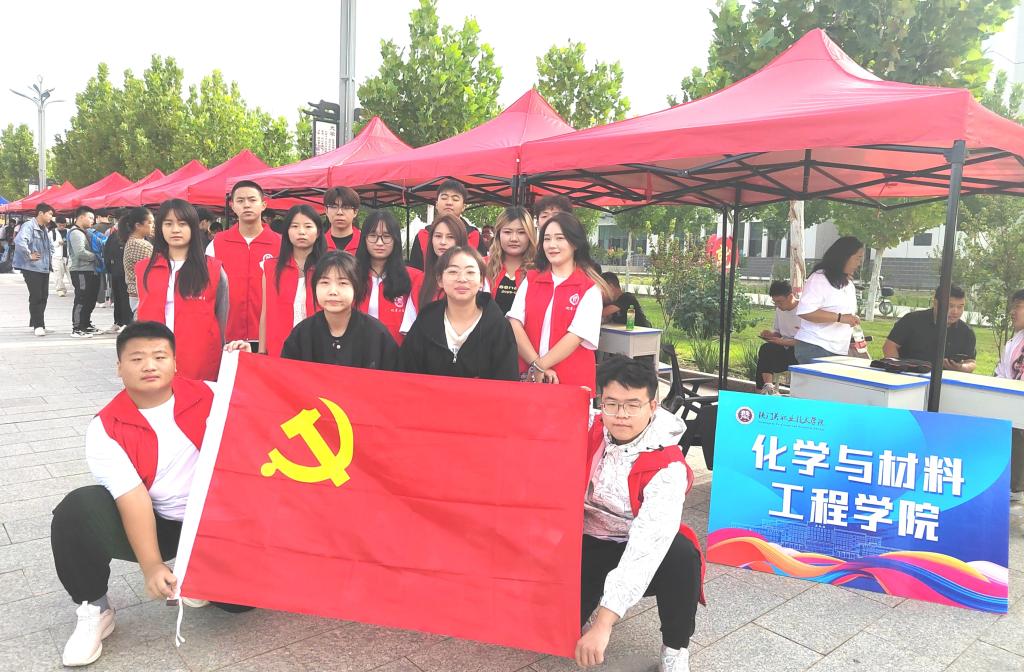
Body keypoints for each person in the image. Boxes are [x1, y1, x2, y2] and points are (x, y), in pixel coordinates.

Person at [50, 322, 251, 667]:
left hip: (219, 522)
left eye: (159, 356)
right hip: (163, 522)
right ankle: (95, 608)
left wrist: (245, 365)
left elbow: (265, 405)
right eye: (137, 358)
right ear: (119, 367)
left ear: (175, 363)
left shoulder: (210, 393)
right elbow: (133, 498)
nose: (149, 365)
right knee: (77, 511)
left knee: (239, 604)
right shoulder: (106, 427)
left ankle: (200, 577)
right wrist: (152, 565)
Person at [576, 356, 702, 672]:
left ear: (652, 406)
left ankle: (675, 648)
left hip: (635, 542)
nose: (621, 415)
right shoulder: (588, 427)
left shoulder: (668, 466)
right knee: (557, 628)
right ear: (600, 402)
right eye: (612, 404)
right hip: (585, 539)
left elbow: (647, 546)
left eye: (633, 405)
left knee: (682, 556)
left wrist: (604, 623)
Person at [507, 211, 606, 392]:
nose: (552, 245)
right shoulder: (531, 279)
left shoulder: (589, 288)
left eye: (560, 238)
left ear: (575, 243)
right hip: (529, 378)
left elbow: (576, 336)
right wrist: (536, 365)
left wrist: (540, 365)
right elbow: (515, 323)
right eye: (547, 239)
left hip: (571, 382)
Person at [137, 200, 229, 381]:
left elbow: (222, 314)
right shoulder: (144, 269)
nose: (175, 230)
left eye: (182, 224)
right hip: (153, 356)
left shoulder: (212, 269)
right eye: (168, 224)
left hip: (199, 358)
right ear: (160, 228)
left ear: (193, 227)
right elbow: (142, 311)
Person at [260, 251, 398, 370]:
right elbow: (285, 378)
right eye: (325, 283)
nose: (333, 291)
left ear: (357, 288)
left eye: (342, 283)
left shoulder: (377, 334)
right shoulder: (302, 334)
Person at [399, 247, 519, 380]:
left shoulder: (498, 326)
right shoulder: (426, 321)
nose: (462, 279)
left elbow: (507, 382)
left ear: (481, 280)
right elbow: (407, 375)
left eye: (470, 272)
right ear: (440, 279)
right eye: (453, 271)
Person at [206, 181, 281, 345]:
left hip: (268, 337)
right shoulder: (217, 243)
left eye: (252, 200)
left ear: (263, 205)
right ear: (232, 206)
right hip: (227, 337)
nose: (246, 205)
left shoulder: (280, 244)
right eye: (240, 201)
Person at [259, 205, 326, 357]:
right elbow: (265, 312)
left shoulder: (328, 268)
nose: (301, 232)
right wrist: (262, 351)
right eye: (295, 226)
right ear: (287, 231)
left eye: (308, 226)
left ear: (318, 232)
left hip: (319, 349)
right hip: (280, 347)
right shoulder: (270, 267)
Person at [355, 209, 422, 345]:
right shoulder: (350, 275)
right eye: (373, 235)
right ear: (364, 239)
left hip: (398, 351)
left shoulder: (414, 278)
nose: (379, 243)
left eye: (386, 236)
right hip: (358, 351)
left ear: (395, 239)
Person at [793, 236, 864, 364]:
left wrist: (851, 319)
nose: (859, 263)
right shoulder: (819, 278)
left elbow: (843, 313)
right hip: (816, 347)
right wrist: (841, 318)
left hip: (838, 349)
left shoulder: (848, 283)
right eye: (858, 258)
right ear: (844, 256)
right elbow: (806, 311)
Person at [882, 285, 977, 372]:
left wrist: (961, 367)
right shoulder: (912, 320)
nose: (955, 311)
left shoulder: (966, 332)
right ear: (935, 303)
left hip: (946, 380)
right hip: (909, 374)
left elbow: (971, 362)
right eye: (950, 306)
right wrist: (898, 368)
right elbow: (889, 346)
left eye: (960, 307)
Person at [408, 180, 481, 269]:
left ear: (463, 207)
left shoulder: (474, 235)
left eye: (455, 199)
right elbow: (415, 271)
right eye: (444, 198)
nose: (449, 203)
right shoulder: (423, 235)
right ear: (436, 204)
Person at [411, 214, 470, 319]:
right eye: (438, 236)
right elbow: (410, 323)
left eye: (450, 237)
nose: (443, 242)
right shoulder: (421, 281)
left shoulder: (473, 279)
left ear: (460, 240)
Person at [996, 289, 1024, 502]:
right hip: (1010, 403)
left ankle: (1016, 486)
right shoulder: (1016, 339)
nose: (1012, 312)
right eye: (1012, 307)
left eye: (1018, 307)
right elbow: (1003, 371)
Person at [485, 206, 536, 315]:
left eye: (521, 232)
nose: (514, 238)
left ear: (530, 235)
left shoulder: (540, 270)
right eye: (507, 232)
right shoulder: (482, 266)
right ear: (498, 234)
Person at [13, 202, 54, 336]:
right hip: (31, 268)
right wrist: (29, 255)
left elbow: (50, 246)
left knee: (44, 296)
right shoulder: (29, 226)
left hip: (44, 267)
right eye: (50, 214)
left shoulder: (44, 228)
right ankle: (38, 325)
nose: (51, 217)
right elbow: (20, 241)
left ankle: (38, 322)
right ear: (41, 213)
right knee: (36, 296)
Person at [754, 280, 802, 394]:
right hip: (784, 347)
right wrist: (770, 335)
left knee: (767, 357)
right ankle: (767, 387)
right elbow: (778, 332)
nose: (777, 305)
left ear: (790, 296)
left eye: (780, 302)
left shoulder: (804, 311)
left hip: (799, 350)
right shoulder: (779, 310)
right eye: (775, 302)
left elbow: (804, 341)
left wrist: (781, 341)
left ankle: (764, 390)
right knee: (765, 350)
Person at [68, 206, 102, 338]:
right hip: (81, 271)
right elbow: (80, 252)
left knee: (90, 299)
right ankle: (77, 328)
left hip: (90, 270)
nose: (92, 221)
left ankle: (86, 324)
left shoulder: (85, 232)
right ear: (81, 217)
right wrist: (96, 257)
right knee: (82, 298)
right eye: (90, 218)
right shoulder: (76, 233)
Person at [122, 208, 155, 316]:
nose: (153, 226)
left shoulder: (135, 242)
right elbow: (154, 267)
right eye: (150, 222)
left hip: (138, 293)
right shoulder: (139, 244)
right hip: (141, 294)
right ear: (138, 225)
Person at [103, 221, 132, 332]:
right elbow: (106, 252)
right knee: (122, 298)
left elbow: (106, 253)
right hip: (121, 272)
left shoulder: (117, 236)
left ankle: (122, 322)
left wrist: (109, 269)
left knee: (121, 298)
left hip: (119, 272)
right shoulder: (119, 236)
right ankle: (122, 322)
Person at [323, 186, 362, 253]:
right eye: (334, 207)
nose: (339, 212)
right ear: (326, 211)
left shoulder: (365, 243)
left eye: (346, 207)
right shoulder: (318, 244)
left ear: (355, 212)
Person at [50, 216, 69, 297]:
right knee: (58, 275)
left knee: (71, 274)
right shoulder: (52, 233)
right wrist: (58, 243)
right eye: (60, 225)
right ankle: (60, 290)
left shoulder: (69, 231)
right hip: (57, 257)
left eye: (63, 225)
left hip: (68, 257)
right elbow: (50, 245)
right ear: (56, 224)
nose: (62, 227)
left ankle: (76, 288)